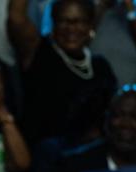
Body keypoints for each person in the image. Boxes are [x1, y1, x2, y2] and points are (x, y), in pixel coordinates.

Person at [10, 0, 118, 144]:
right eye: (64, 21)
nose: (71, 28)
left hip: (90, 157)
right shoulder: (39, 52)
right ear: (53, 23)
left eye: (79, 22)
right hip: (46, 158)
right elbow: (16, 17)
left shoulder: (100, 67)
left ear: (90, 25)